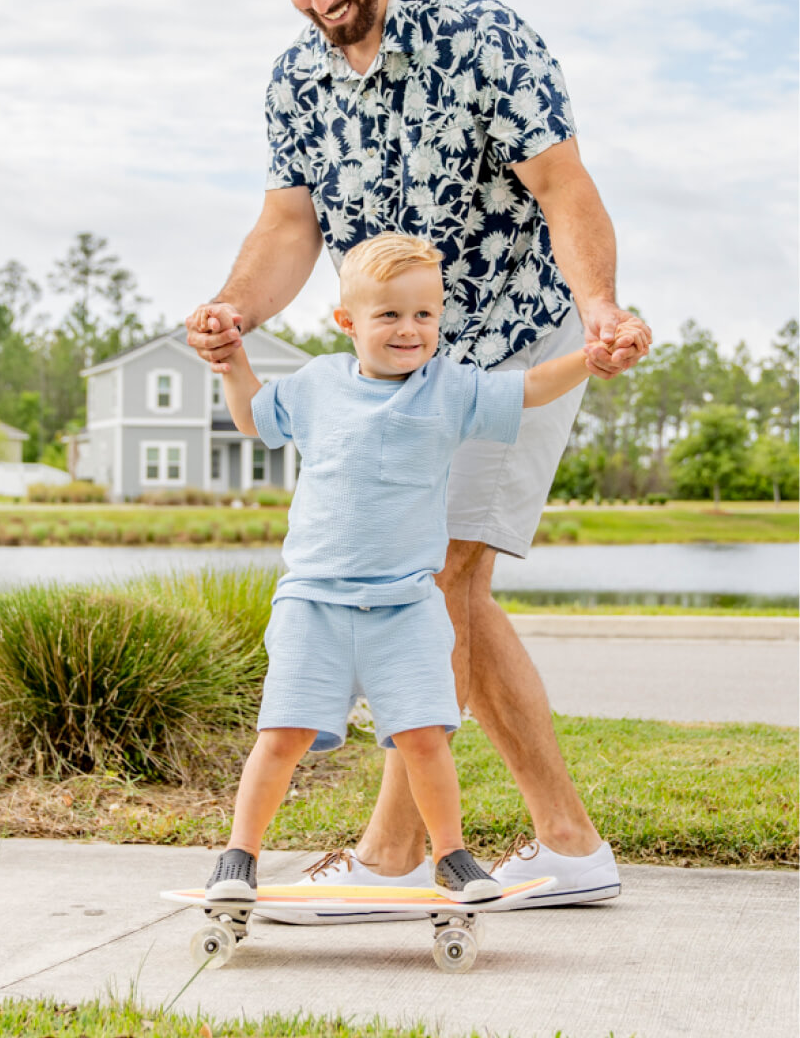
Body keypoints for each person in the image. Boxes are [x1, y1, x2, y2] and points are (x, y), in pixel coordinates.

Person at [186, 0, 651, 918]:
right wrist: (233, 311)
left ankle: (533, 845)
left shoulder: (481, 36)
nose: (319, 2)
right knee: (431, 582)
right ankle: (440, 852)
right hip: (386, 363)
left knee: (438, 574)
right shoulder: (294, 79)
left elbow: (560, 182)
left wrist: (599, 308)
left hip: (506, 345)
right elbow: (288, 224)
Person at [199, 234, 645, 907]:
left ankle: (452, 857)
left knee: (424, 737)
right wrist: (232, 359)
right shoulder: (317, 384)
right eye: (388, 316)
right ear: (346, 322)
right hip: (313, 604)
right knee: (281, 734)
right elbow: (253, 419)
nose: (409, 330)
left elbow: (527, 388)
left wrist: (589, 359)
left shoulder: (450, 389)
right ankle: (238, 858)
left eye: (424, 315)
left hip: (406, 607)